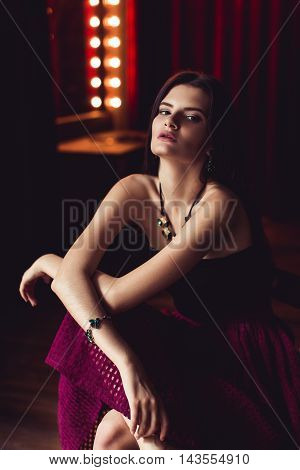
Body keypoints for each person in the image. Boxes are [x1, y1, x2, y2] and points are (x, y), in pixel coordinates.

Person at [19, 70, 300, 450]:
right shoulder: (135, 189)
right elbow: (86, 292)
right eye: (165, 110)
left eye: (192, 117)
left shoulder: (219, 205)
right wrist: (126, 362)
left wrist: (54, 264)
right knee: (115, 434)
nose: (171, 121)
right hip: (190, 338)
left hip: (243, 357)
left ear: (212, 140)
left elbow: (111, 297)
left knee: (121, 431)